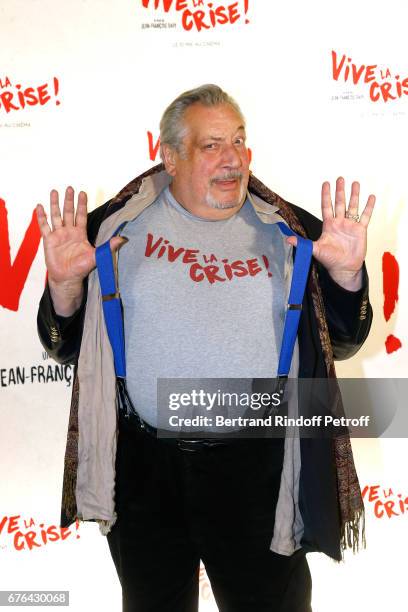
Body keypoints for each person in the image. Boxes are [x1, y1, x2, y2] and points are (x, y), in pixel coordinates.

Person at [36, 84, 375, 612]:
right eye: (211, 145)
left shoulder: (295, 230)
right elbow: (62, 347)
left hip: (257, 473)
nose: (232, 159)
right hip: (144, 471)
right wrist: (63, 287)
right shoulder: (108, 229)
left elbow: (345, 344)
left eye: (239, 141)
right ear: (169, 156)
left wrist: (347, 276)